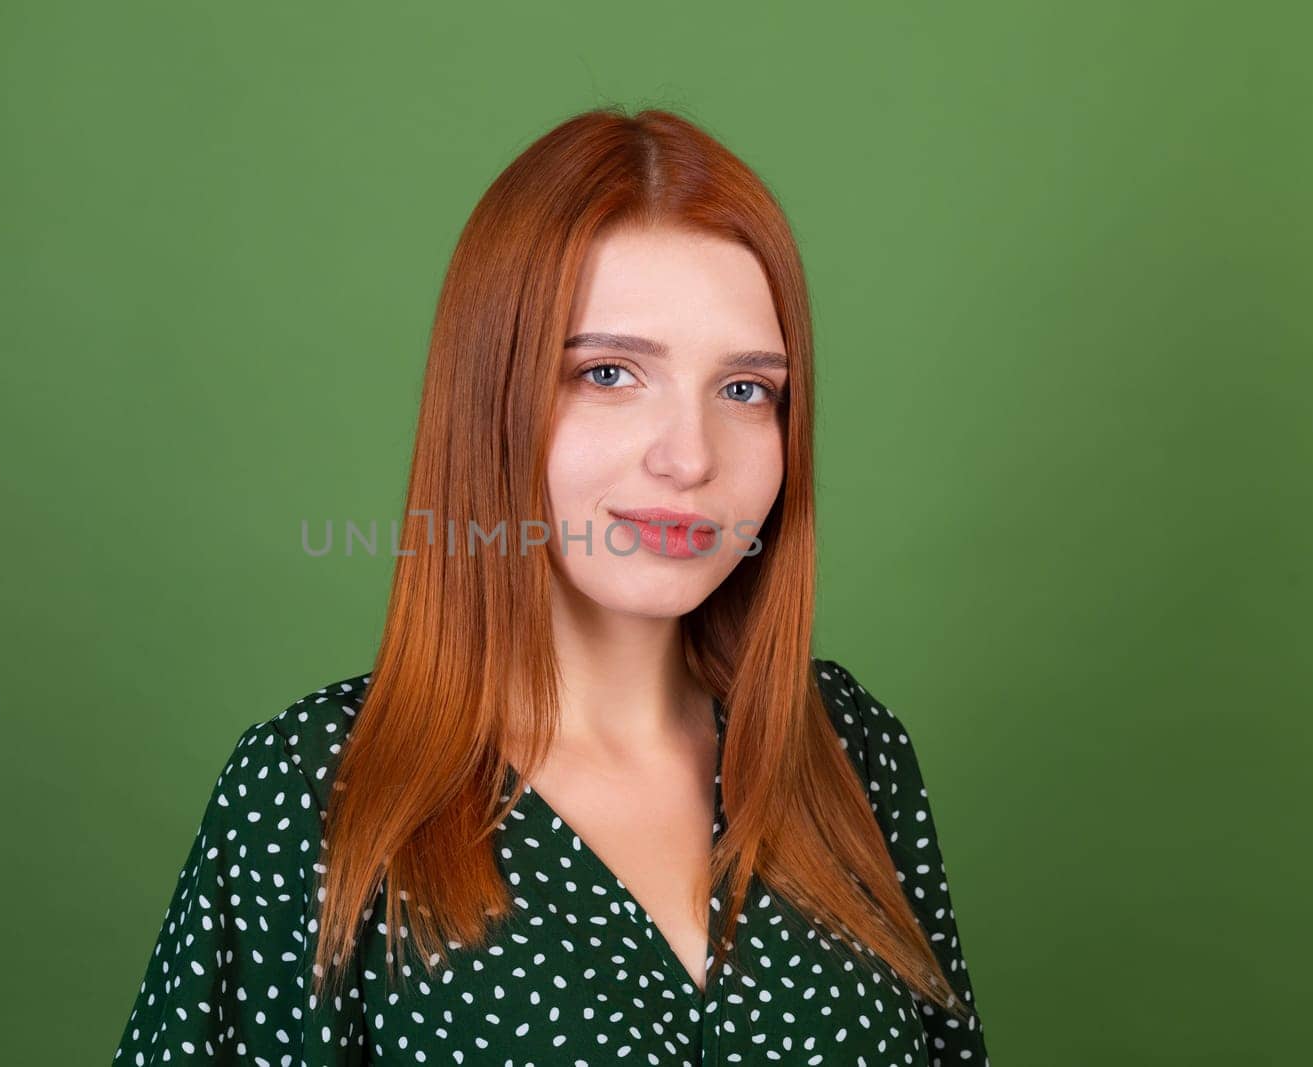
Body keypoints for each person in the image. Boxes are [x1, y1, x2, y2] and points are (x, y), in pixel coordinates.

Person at [112, 106, 990, 1066]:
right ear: (493, 399)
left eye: (746, 390)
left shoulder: (851, 751)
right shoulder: (312, 795)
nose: (691, 457)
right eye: (611, 372)